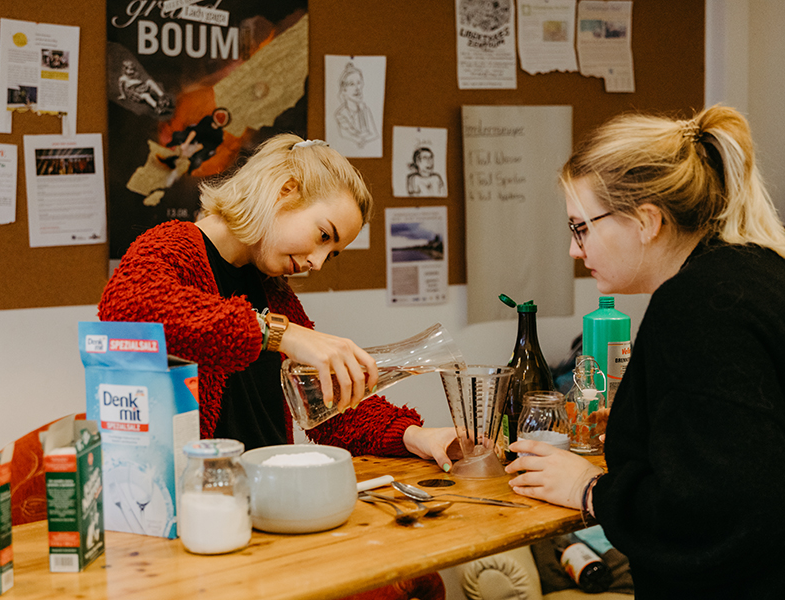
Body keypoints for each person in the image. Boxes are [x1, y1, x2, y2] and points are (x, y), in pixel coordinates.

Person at [504, 105, 785, 598]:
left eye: (581, 227)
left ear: (646, 221)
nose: (575, 249)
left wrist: (588, 491)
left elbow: (713, 513)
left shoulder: (697, 306)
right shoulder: (757, 272)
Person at [99, 133, 458, 467]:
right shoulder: (174, 247)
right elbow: (127, 307)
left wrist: (417, 436)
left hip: (268, 496)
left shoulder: (273, 289)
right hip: (200, 507)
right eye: (323, 235)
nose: (316, 263)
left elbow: (326, 404)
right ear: (285, 191)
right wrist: (279, 334)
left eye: (330, 253)